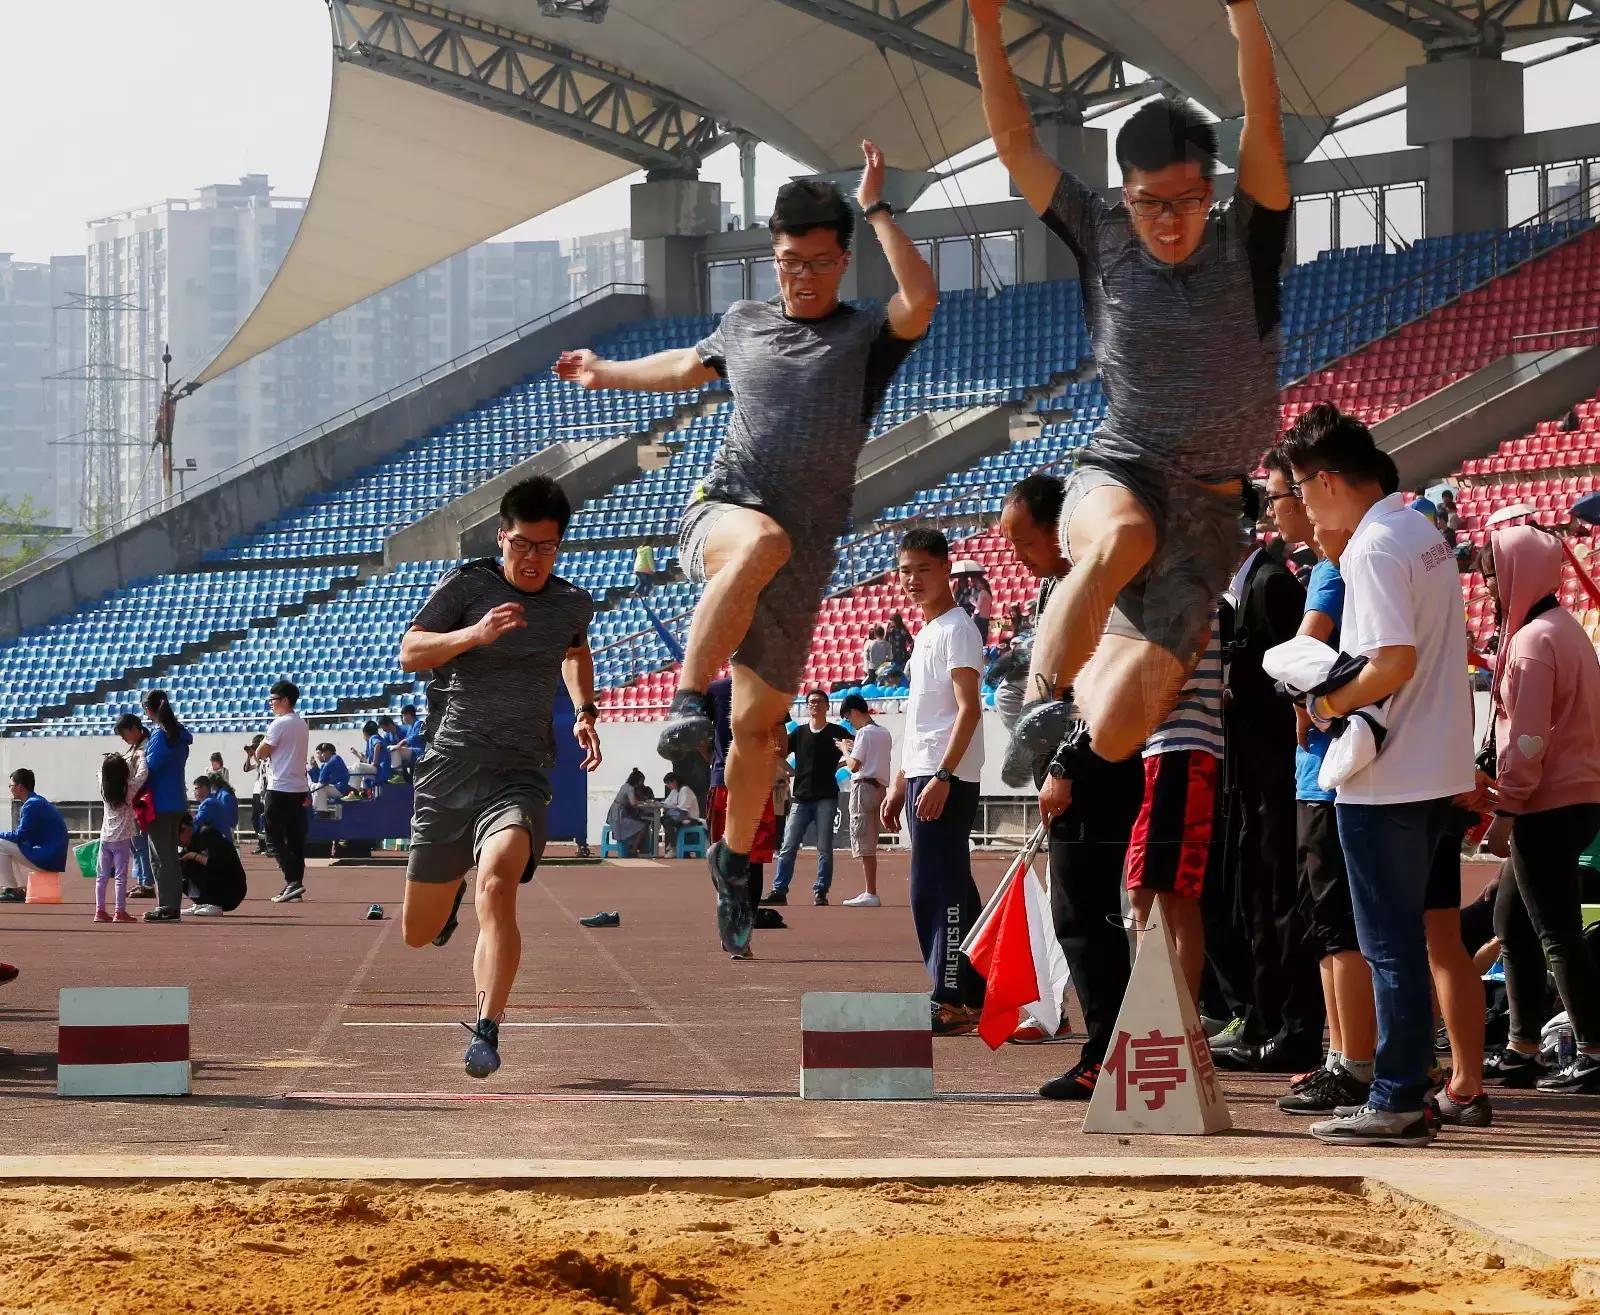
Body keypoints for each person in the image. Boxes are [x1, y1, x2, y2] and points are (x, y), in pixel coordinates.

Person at [555, 140, 935, 957]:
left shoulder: (866, 335)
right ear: (774, 255)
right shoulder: (745, 323)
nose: (801, 277)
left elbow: (922, 297)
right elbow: (685, 367)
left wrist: (876, 207)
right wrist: (604, 371)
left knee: (761, 733)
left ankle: (733, 864)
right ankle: (688, 704)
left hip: (802, 564)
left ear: (842, 259)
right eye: (788, 261)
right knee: (757, 539)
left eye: (819, 263)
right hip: (724, 513)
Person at [973, 0, 1290, 781]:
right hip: (1122, 472)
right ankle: (1035, 689)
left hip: (1212, 512)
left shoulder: (1244, 237)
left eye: (1184, 200)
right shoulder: (1100, 230)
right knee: (1124, 540)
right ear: (1125, 193)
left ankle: (1071, 696)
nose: (1167, 220)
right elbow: (1013, 142)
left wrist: (1244, 15)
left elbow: (1263, 125)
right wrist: (984, 19)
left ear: (1209, 190)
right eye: (1148, 201)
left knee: (1114, 735)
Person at [1283, 403, 1475, 1148]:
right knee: (1412, 942)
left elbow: (1393, 660)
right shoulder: (1420, 526)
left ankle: (1397, 1095)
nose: (1301, 506)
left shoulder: (1369, 547)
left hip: (1384, 775)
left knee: (1389, 945)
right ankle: (1408, 1088)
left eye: (1301, 490)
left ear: (1327, 480)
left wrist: (1323, 696)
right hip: (1430, 768)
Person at [396, 475, 602, 1079]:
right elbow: (410, 652)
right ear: (501, 537)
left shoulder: (570, 603)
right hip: (450, 766)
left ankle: (487, 1028)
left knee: (500, 883)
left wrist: (585, 713)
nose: (533, 559)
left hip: (520, 771)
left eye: (547, 547)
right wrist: (474, 634)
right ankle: (449, 889)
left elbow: (575, 650)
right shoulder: (467, 585)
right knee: (417, 932)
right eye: (522, 546)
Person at [1002, 475, 1147, 1097]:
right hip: (1082, 768)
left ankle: (1106, 1053)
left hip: (1096, 771)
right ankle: (1112, 1046)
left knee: (1085, 918)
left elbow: (1097, 686)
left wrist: (1065, 763)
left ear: (1059, 527)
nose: (1019, 558)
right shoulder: (1059, 587)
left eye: (1026, 543)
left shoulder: (1097, 585)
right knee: (1084, 917)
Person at [1259, 459, 1378, 1117]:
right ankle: (1343, 1053)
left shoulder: (1333, 572)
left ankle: (1353, 1059)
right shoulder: (1324, 572)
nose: (1274, 507)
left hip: (1329, 775)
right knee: (1326, 924)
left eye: (1281, 494)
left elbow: (1304, 654)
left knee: (1338, 925)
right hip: (1320, 775)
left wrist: (1298, 692)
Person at [1480, 525, 1600, 1095]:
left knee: (1555, 930)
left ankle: (1595, 1049)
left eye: (1492, 576)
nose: (1489, 588)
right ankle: (1522, 1047)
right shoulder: (1563, 629)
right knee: (1512, 921)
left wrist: (1506, 807)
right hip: (1574, 796)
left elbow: (1526, 739)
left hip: (1548, 801)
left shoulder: (1532, 642)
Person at [1212, 503, 1323, 1074]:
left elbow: (1293, 681)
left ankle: (1290, 1028)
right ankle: (1263, 1019)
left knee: (1280, 902)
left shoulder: (1274, 583)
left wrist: (1239, 694)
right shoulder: (1245, 587)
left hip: (1278, 772)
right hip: (1253, 774)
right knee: (1256, 900)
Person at [882, 529, 987, 1035]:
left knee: (934, 889)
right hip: (926, 772)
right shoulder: (925, 632)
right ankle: (978, 990)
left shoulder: (957, 629)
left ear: (947, 568)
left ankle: (949, 998)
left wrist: (944, 774)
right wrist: (902, 777)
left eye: (923, 569)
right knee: (956, 890)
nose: (913, 580)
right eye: (905, 570)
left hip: (947, 775)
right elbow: (924, 718)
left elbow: (969, 709)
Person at [1123, 614, 1226, 1006]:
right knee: (1149, 892)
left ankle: (1175, 1019)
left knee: (1173, 894)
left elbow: (1173, 673)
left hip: (1183, 751)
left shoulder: (1187, 591)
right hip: (1168, 751)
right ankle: (1163, 1014)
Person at [768, 691, 853, 906]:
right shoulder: (799, 733)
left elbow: (857, 751)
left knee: (824, 847)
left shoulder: (838, 732)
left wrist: (840, 764)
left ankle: (821, 891)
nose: (815, 705)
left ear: (827, 706)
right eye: (811, 702)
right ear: (807, 707)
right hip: (801, 797)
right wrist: (790, 771)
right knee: (788, 845)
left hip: (827, 797)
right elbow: (777, 753)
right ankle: (779, 890)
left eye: (819, 701)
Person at [253, 680, 312, 903]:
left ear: (285, 700)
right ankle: (294, 884)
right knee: (295, 840)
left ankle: (292, 880)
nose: (270, 704)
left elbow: (261, 752)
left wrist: (260, 750)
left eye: (273, 700)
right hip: (298, 788)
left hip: (279, 787)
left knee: (273, 838)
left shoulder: (279, 724)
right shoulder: (302, 723)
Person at [139, 689, 192, 923]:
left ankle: (167, 906)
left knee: (161, 857)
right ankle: (171, 905)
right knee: (169, 854)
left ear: (149, 710)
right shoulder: (178, 736)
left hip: (159, 802)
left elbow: (149, 767)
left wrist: (137, 759)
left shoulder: (160, 736)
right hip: (176, 800)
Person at [839, 693, 891, 908]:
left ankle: (871, 891)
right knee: (871, 840)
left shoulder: (864, 733)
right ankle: (870, 891)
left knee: (864, 841)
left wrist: (844, 750)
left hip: (863, 788)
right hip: (880, 787)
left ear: (853, 712)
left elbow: (854, 766)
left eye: (847, 717)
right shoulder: (883, 732)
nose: (849, 721)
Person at [0, 769, 68, 903]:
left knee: (1, 844)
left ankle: (11, 889)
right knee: (6, 845)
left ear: (20, 787)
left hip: (49, 857)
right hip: (53, 856)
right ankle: (16, 889)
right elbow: (27, 837)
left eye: (11, 786)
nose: (10, 789)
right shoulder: (37, 802)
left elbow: (20, 836)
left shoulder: (31, 805)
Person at [95, 752, 144, 923]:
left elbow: (100, 772)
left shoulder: (103, 786)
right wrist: (139, 758)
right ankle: (119, 911)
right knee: (120, 877)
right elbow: (142, 775)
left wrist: (109, 761)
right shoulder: (129, 788)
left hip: (105, 838)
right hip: (122, 839)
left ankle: (100, 911)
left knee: (101, 876)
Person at [114, 714, 156, 896]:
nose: (123, 739)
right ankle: (141, 881)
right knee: (135, 845)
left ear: (133, 729)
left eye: (124, 734)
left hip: (142, 800)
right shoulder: (136, 746)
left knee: (141, 844)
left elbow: (142, 774)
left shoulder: (146, 746)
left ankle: (147, 883)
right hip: (134, 800)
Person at [176, 812, 247, 916]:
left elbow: (217, 864)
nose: (177, 842)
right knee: (178, 866)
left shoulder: (208, 834)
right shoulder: (191, 840)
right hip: (217, 886)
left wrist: (193, 855)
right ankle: (201, 903)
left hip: (232, 890)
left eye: (177, 837)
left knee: (193, 861)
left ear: (185, 828)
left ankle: (214, 904)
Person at [606, 770, 652, 858]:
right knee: (642, 826)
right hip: (620, 816)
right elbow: (633, 803)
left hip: (616, 813)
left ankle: (634, 847)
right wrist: (643, 803)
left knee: (638, 822)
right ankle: (633, 849)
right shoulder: (630, 788)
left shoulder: (624, 786)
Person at [242, 734, 270, 854]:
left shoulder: (266, 758)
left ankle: (268, 844)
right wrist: (249, 756)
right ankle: (261, 843)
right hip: (256, 791)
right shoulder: (257, 759)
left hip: (264, 791)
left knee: (265, 818)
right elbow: (246, 768)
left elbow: (260, 763)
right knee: (255, 818)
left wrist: (254, 754)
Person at [660, 772, 701, 852]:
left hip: (690, 818)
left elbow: (683, 808)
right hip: (680, 816)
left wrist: (672, 808)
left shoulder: (685, 790)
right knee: (663, 819)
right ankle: (673, 842)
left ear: (674, 781)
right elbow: (667, 803)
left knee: (668, 820)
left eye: (668, 783)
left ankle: (673, 846)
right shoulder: (674, 791)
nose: (668, 786)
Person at [192, 775, 238, 846]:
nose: (194, 792)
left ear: (204, 788)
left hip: (220, 844)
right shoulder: (213, 799)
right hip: (223, 840)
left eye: (196, 788)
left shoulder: (209, 803)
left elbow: (196, 822)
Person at [312, 743, 352, 811]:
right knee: (314, 786)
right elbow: (320, 780)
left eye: (323, 752)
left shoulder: (334, 760)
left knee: (319, 787)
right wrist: (315, 769)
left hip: (341, 789)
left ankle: (321, 811)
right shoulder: (327, 763)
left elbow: (322, 780)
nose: (322, 755)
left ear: (329, 752)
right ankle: (316, 809)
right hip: (335, 788)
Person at [356, 720, 391, 789]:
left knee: (357, 766)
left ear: (365, 733)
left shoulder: (373, 737)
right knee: (361, 773)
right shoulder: (373, 740)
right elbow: (366, 761)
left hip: (379, 769)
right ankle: (363, 791)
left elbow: (377, 745)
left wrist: (374, 762)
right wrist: (356, 753)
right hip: (377, 769)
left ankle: (355, 790)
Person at [400, 703, 427, 769]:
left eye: (403, 716)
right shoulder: (409, 727)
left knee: (398, 750)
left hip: (419, 752)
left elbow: (415, 738)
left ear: (409, 715)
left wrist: (402, 742)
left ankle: (398, 770)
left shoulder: (419, 724)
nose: (403, 718)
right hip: (411, 751)